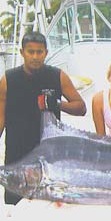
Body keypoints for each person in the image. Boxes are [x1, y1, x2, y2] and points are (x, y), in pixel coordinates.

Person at [0, 32, 87, 205]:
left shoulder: (58, 76)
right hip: (16, 155)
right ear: (22, 52)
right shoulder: (7, 79)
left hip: (48, 158)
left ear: (46, 53)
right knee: (14, 207)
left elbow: (81, 107)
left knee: (48, 209)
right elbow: (1, 118)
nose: (35, 56)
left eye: (39, 52)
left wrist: (57, 104)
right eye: (30, 52)